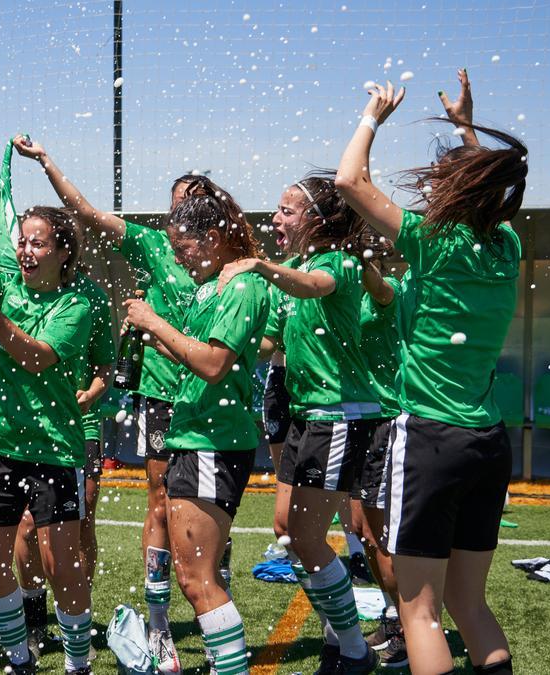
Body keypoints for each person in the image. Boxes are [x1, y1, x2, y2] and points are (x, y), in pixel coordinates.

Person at [13, 135, 238, 673]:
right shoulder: (156, 246)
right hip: (164, 397)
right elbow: (86, 213)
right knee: (160, 505)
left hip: (217, 402)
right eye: (176, 203)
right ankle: (159, 626)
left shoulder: (235, 269)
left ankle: (213, 612)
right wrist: (47, 162)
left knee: (210, 528)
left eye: (193, 204)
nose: (180, 215)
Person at [335, 71, 524, 675]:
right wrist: (467, 130)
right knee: (472, 605)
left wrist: (373, 115)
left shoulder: (433, 242)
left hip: (431, 441)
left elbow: (348, 181)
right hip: (488, 442)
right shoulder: (505, 250)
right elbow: (486, 195)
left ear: (454, 194)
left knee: (420, 612)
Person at [223, 170, 384, 674]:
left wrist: (257, 265)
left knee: (315, 537)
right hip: (305, 416)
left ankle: (354, 649)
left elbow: (314, 287)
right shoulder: (291, 268)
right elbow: (267, 342)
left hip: (339, 415)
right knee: (288, 532)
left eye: (286, 210)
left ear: (316, 218)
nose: (274, 217)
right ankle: (342, 639)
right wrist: (207, 341)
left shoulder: (338, 262)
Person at [121, 193, 269, 675]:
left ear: (212, 237)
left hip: (213, 442)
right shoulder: (208, 286)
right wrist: (154, 337)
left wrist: (153, 320)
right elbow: (196, 360)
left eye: (182, 247)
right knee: (193, 575)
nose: (178, 258)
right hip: (195, 438)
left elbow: (212, 364)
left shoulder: (240, 287)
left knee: (199, 577)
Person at [0, 192, 93, 675]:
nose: (26, 251)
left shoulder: (75, 306)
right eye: (22, 242)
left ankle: (78, 662)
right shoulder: (7, 286)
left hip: (54, 450)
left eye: (38, 243)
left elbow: (35, 357)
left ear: (62, 253)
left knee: (60, 564)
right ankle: (19, 658)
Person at [350, 256, 409, 668]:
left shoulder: (387, 292)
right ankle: (395, 615)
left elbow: (381, 290)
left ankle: (411, 628)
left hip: (383, 420)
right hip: (356, 419)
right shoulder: (343, 295)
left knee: (380, 534)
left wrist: (357, 261)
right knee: (361, 530)